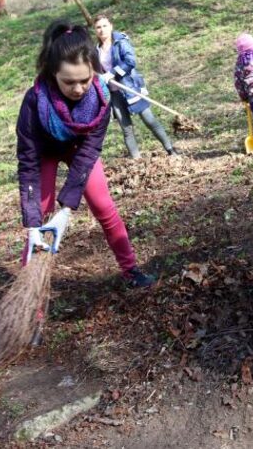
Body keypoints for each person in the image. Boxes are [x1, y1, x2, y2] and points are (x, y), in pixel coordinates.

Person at [17, 21, 156, 288]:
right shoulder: (35, 102)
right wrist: (33, 224)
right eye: (68, 82)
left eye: (84, 80)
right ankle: (29, 296)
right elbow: (28, 162)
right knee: (40, 214)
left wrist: (68, 209)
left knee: (104, 206)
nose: (78, 89)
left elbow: (89, 151)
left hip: (80, 150)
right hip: (44, 153)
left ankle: (131, 271)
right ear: (52, 73)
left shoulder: (100, 99)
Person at [93, 14, 178, 159]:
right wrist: (100, 76)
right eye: (98, 27)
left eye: (105, 26)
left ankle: (171, 151)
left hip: (131, 88)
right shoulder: (96, 50)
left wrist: (112, 73)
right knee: (126, 129)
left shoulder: (121, 42)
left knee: (150, 121)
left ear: (111, 26)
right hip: (114, 94)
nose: (102, 30)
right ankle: (137, 161)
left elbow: (130, 61)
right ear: (95, 30)